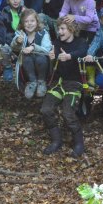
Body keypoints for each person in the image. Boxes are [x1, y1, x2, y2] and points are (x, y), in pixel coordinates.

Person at [42, 19, 89, 157]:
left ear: (72, 30)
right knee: (46, 109)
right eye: (59, 29)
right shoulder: (57, 43)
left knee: (68, 113)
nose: (59, 32)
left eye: (63, 29)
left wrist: (69, 56)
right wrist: (52, 56)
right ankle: (57, 140)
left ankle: (79, 143)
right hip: (58, 82)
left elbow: (83, 51)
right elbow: (53, 55)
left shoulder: (80, 42)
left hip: (74, 83)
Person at [12, 9, 53, 99]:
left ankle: (41, 82)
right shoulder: (21, 34)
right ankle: (32, 82)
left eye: (32, 21)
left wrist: (34, 47)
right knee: (26, 58)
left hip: (42, 64)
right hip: (27, 66)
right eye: (26, 21)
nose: (29, 23)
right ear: (22, 23)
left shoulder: (42, 33)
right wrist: (17, 42)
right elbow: (13, 48)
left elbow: (47, 49)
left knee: (40, 58)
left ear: (37, 22)